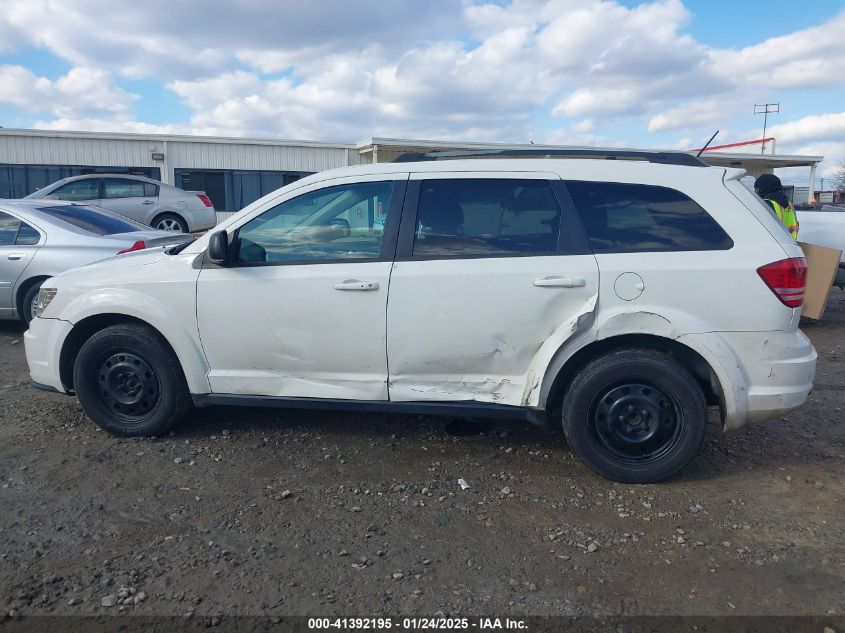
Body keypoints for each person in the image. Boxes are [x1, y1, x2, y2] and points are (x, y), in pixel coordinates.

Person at [754, 174, 799, 240]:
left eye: (756, 189)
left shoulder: (767, 204)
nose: (755, 192)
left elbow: (760, 229)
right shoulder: (789, 204)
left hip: (772, 245)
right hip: (789, 245)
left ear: (761, 189)